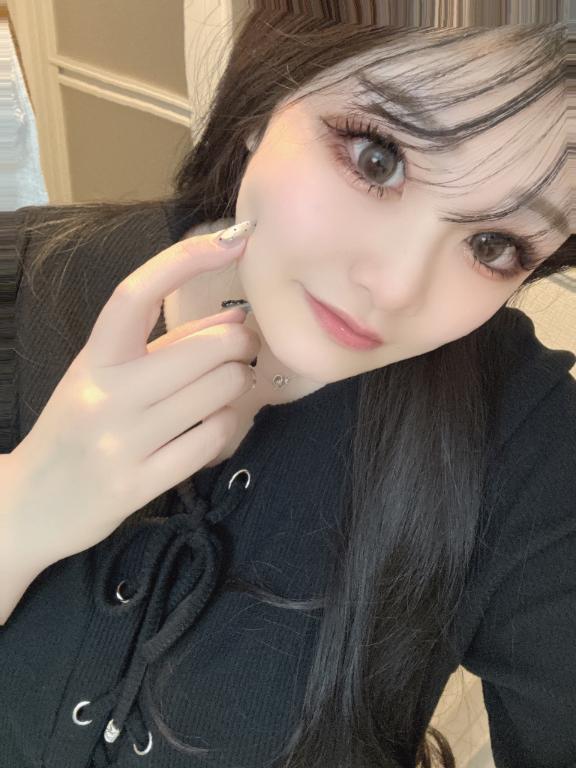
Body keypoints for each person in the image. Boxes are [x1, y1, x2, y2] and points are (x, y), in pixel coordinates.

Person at [0, 9, 575, 768]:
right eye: (378, 159)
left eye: (492, 244)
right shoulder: (20, 276)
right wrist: (24, 508)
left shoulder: (528, 445)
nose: (396, 288)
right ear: (265, 99)